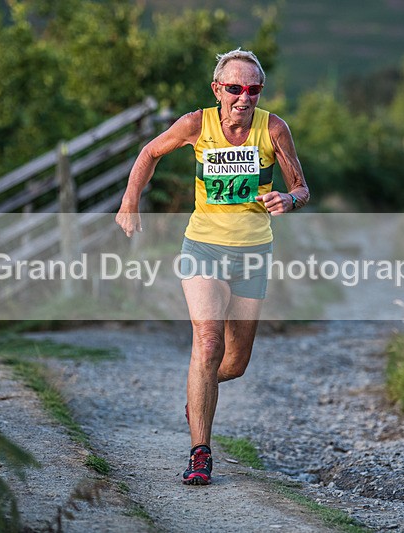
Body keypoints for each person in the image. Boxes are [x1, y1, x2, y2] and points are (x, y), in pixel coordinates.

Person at [115, 48, 309, 485]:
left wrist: (289, 199)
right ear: (217, 89)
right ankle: (200, 452)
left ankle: (198, 392)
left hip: (253, 252)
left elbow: (301, 186)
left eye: (254, 89)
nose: (245, 98)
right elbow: (149, 153)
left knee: (233, 362)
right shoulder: (195, 125)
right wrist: (130, 202)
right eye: (236, 88)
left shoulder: (274, 129)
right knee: (207, 342)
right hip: (202, 247)